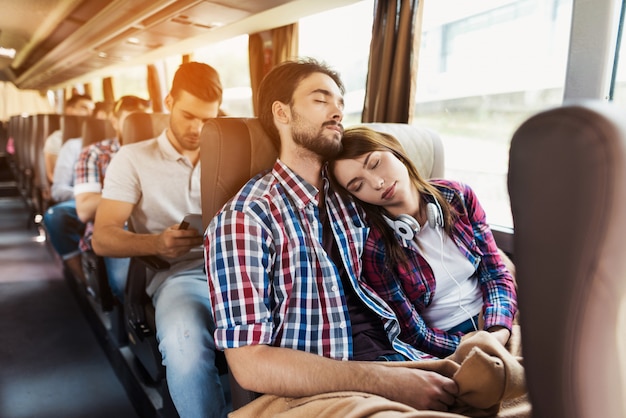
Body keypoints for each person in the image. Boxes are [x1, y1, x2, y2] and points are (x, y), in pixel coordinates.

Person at [205, 58, 458, 413]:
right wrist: (385, 381)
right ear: (282, 112)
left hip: (403, 355)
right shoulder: (246, 219)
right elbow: (249, 363)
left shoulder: (355, 193)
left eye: (340, 103)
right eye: (321, 100)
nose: (337, 112)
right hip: (321, 390)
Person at [92, 62, 229, 418]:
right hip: (180, 276)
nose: (197, 128)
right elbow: (102, 239)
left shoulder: (232, 155)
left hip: (241, 271)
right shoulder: (133, 159)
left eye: (207, 120)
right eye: (187, 115)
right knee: (186, 351)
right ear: (168, 100)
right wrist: (157, 244)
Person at [327, 126, 518, 359]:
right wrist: (467, 346)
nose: (377, 182)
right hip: (448, 343)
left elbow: (495, 274)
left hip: (497, 317)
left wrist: (496, 331)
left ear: (394, 150)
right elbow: (414, 333)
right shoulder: (375, 248)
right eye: (358, 186)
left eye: (375, 163)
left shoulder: (458, 196)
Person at [75, 96, 150, 301]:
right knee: (124, 282)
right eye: (130, 121)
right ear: (115, 121)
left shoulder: (161, 154)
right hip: (117, 226)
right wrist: (126, 190)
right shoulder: (94, 153)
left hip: (157, 224)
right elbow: (84, 210)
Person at [43, 101, 109, 284]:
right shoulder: (74, 146)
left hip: (117, 201)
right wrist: (87, 196)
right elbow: (58, 189)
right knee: (55, 216)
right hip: (79, 198)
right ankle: (84, 280)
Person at [43, 93, 94, 183]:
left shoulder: (98, 138)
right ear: (69, 110)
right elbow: (53, 175)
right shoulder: (55, 139)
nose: (89, 113)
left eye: (91, 110)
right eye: (84, 108)